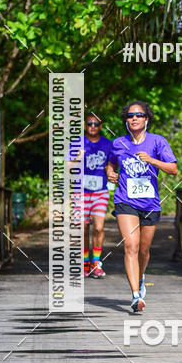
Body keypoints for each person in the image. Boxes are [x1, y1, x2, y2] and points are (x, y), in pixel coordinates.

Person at [105, 101, 177, 313]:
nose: (134, 118)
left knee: (144, 250)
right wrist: (110, 172)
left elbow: (173, 169)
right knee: (131, 246)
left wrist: (152, 161)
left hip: (150, 203)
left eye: (139, 114)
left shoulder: (157, 141)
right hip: (125, 200)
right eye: (130, 115)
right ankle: (136, 295)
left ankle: (141, 275)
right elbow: (111, 162)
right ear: (126, 120)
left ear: (146, 118)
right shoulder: (118, 143)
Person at [68, 111, 114, 278]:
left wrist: (111, 173)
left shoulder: (108, 144)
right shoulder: (76, 143)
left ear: (100, 126)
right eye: (89, 124)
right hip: (80, 192)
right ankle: (85, 262)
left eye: (96, 124)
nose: (92, 127)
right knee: (83, 229)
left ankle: (96, 262)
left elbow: (112, 165)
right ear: (85, 125)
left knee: (99, 227)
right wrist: (77, 159)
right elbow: (67, 168)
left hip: (100, 191)